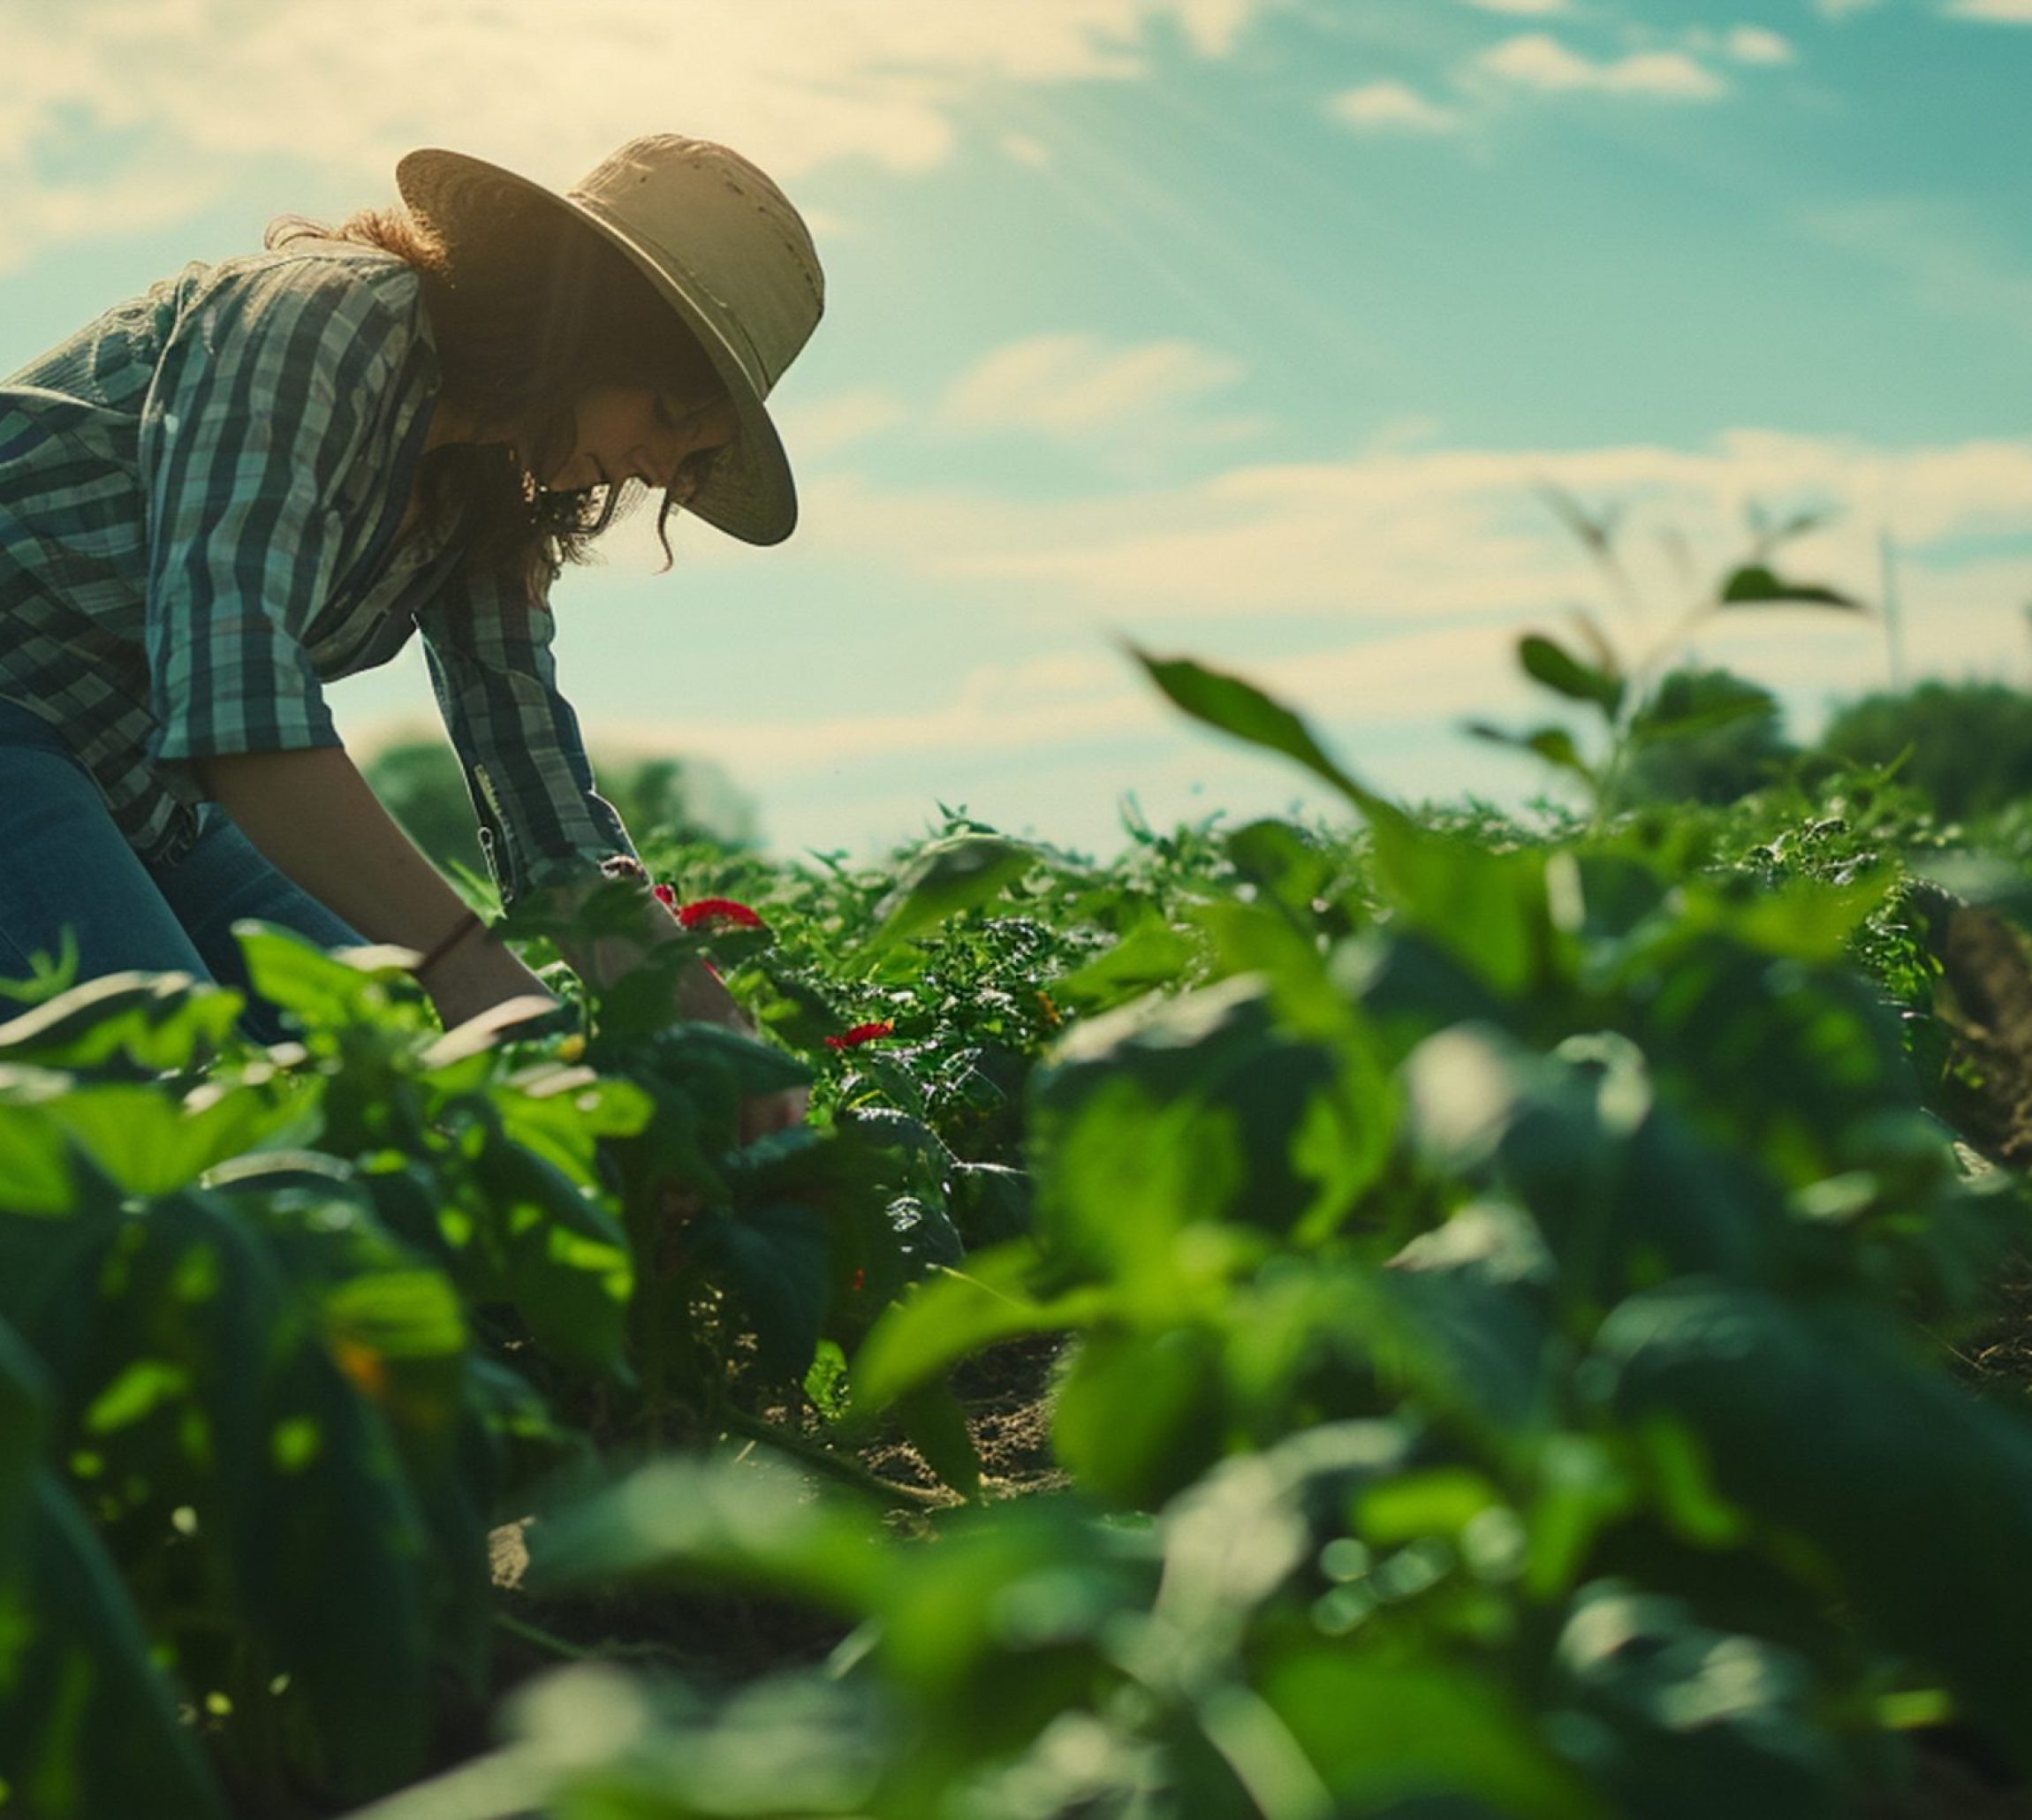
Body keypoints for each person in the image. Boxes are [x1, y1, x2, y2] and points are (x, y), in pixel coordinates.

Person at [0, 133, 822, 1126]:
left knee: (459, 1094)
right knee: (186, 1113)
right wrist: (460, 963)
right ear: (592, 329)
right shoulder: (321, 319)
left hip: (139, 793)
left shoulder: (487, 490)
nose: (655, 469)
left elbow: (541, 802)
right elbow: (234, 698)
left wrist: (701, 1018)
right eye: (666, 413)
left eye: (690, 452)